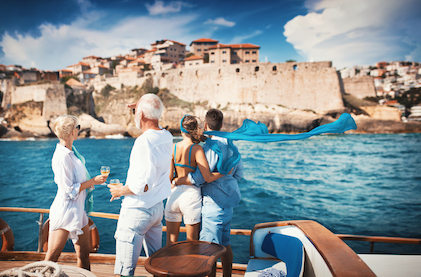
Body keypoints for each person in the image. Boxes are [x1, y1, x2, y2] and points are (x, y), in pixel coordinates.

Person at [108, 93, 173, 277]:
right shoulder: (167, 136)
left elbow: (142, 185)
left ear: (142, 114)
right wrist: (142, 106)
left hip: (137, 211)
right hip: (156, 209)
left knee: (125, 270)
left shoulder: (144, 142)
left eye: (136, 112)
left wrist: (119, 191)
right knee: (157, 264)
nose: (134, 115)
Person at [174, 109, 244, 277]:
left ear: (205, 125)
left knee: (208, 249)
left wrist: (179, 180)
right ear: (222, 124)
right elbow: (239, 174)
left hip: (214, 204)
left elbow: (200, 178)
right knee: (226, 244)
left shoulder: (212, 147)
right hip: (229, 204)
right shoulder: (231, 145)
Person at [45, 115, 108, 270]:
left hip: (79, 211)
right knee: (52, 258)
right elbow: (68, 191)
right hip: (65, 211)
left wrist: (91, 182)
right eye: (77, 127)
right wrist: (92, 182)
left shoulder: (71, 153)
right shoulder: (62, 157)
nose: (79, 130)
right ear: (71, 131)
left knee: (84, 254)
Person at [165, 115, 225, 245]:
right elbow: (207, 177)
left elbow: (169, 178)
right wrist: (223, 173)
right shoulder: (197, 149)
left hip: (173, 196)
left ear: (181, 130)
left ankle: (167, 265)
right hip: (191, 197)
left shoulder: (172, 147)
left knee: (169, 243)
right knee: (192, 245)